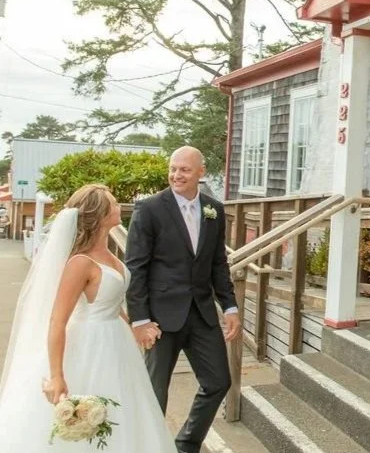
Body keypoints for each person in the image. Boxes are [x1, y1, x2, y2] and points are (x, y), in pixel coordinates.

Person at [0, 184, 176, 451]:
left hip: (118, 345)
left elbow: (113, 304)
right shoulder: (79, 263)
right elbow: (57, 321)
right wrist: (57, 375)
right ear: (100, 214)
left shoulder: (110, 255)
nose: (119, 206)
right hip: (90, 345)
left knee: (125, 414)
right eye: (114, 203)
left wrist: (137, 328)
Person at [126, 146, 240, 453]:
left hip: (202, 313)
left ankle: (186, 445)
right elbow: (135, 267)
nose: (177, 175)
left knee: (218, 381)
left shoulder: (213, 209)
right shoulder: (149, 209)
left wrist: (229, 306)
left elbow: (218, 263)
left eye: (185, 170)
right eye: (173, 168)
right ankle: (148, 447)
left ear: (200, 172)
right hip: (160, 318)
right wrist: (140, 319)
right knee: (154, 393)